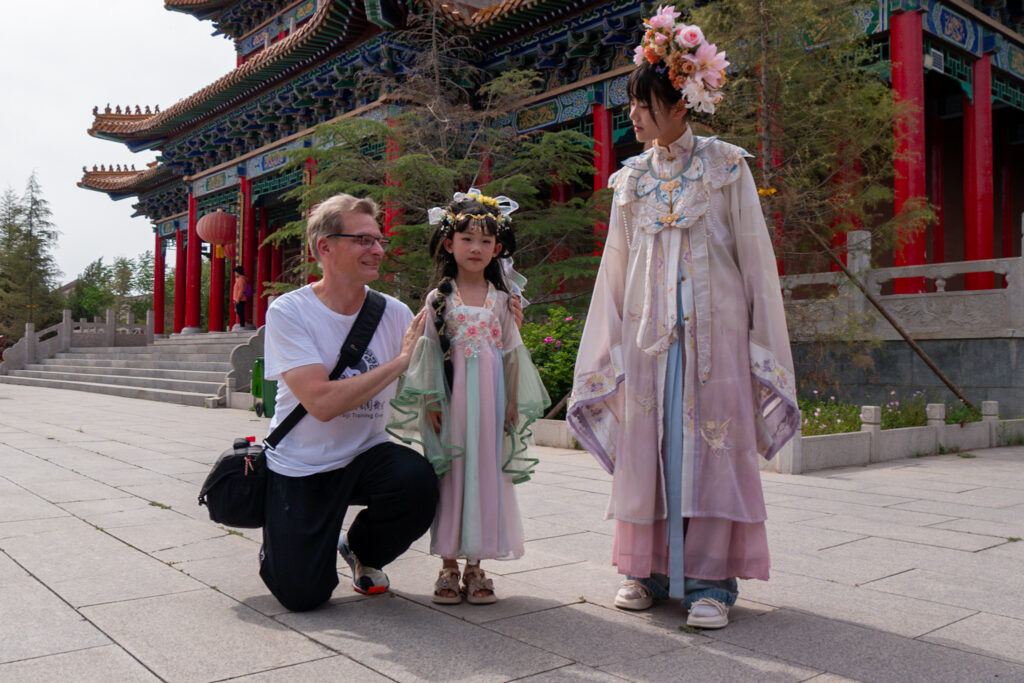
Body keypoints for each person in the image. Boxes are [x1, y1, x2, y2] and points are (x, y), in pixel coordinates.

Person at [567, 7, 799, 630]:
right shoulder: (631, 181)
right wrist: (607, 345)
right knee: (652, 448)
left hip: (714, 341)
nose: (635, 116)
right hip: (649, 343)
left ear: (678, 102)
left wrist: (759, 341)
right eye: (633, 106)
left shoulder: (726, 166)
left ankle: (710, 583)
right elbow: (614, 269)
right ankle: (646, 571)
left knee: (711, 450)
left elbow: (754, 259)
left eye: (643, 104)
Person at [259, 193, 437, 612]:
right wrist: (400, 362)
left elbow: (429, 384)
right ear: (325, 246)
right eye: (362, 240)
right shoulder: (289, 312)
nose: (376, 250)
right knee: (302, 596)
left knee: (417, 481)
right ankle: (283, 547)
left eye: (378, 240)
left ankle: (361, 549)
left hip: (365, 455)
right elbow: (320, 402)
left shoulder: (394, 313)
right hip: (302, 463)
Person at [389, 190, 549, 605]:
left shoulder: (502, 301)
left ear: (498, 248)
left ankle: (477, 566)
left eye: (485, 241)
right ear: (449, 244)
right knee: (452, 476)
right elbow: (425, 352)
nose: (476, 248)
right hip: (451, 399)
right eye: (467, 239)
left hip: (491, 400)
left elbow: (513, 354)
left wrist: (512, 402)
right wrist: (429, 401)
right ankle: (447, 566)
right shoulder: (439, 299)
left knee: (485, 475)